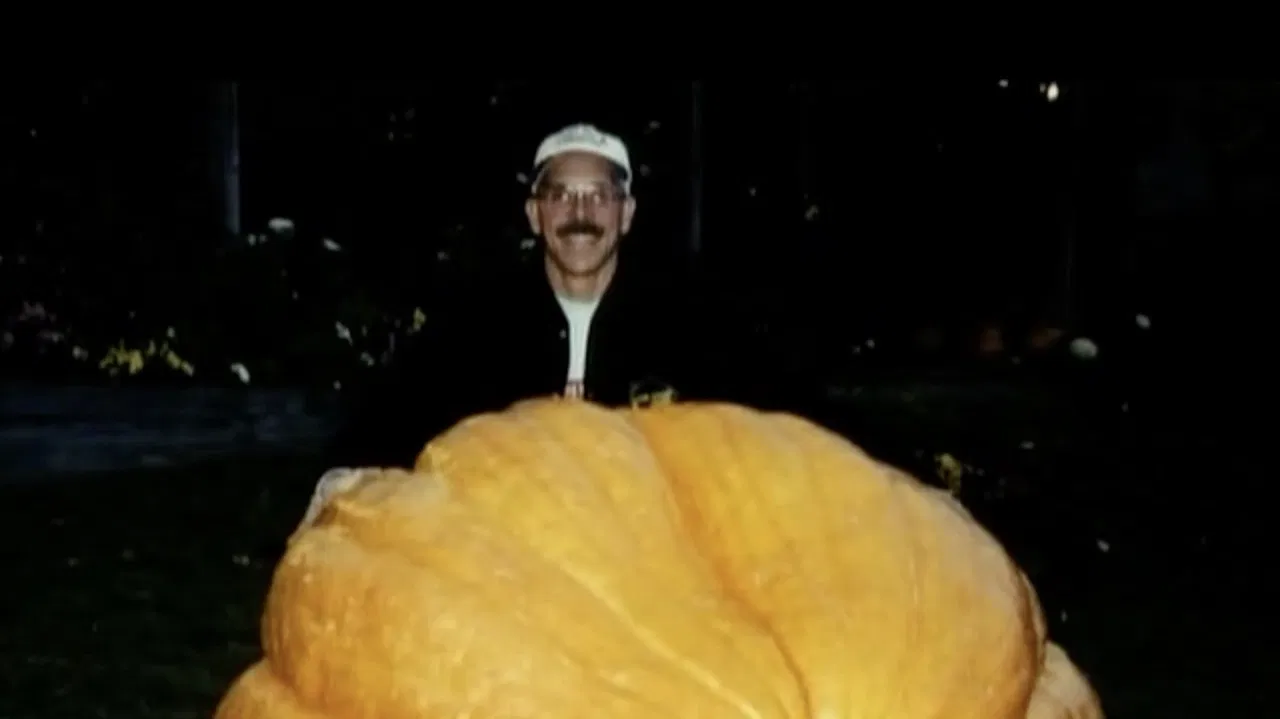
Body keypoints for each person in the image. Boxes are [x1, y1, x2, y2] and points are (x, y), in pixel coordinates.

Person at [326, 122, 763, 470]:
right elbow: (387, 422)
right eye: (561, 195)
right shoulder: (477, 324)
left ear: (625, 214)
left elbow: (773, 425)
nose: (580, 214)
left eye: (599, 196)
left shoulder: (688, 321)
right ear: (535, 215)